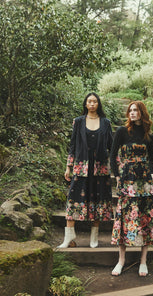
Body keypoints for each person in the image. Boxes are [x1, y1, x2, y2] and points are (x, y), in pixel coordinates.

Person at [110, 101, 153, 276]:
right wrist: (117, 176)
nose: (132, 113)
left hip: (145, 182)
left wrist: (152, 174)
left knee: (145, 217)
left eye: (135, 110)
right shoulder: (122, 131)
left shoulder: (149, 135)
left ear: (142, 113)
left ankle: (143, 261)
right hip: (127, 179)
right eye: (130, 110)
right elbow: (112, 155)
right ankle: (121, 261)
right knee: (125, 217)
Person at [57, 92, 113, 248]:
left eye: (95, 101)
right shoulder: (78, 122)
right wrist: (68, 166)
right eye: (89, 101)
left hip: (100, 169)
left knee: (98, 200)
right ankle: (69, 236)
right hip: (81, 167)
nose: (92, 104)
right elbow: (73, 145)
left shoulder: (106, 122)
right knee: (73, 199)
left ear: (98, 104)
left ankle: (94, 237)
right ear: (85, 104)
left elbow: (111, 145)